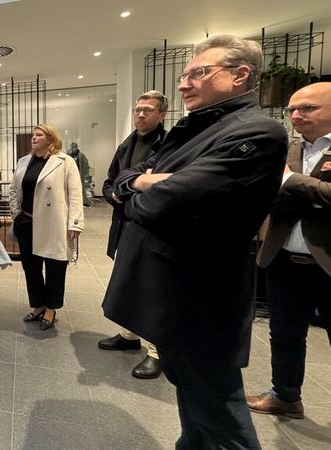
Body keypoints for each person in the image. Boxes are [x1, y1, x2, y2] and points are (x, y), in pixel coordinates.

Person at [101, 34, 288, 449]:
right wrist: (142, 183)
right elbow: (122, 181)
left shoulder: (257, 132)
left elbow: (162, 204)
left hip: (200, 294)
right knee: (193, 393)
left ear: (240, 75)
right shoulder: (198, 128)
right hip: (173, 289)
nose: (184, 84)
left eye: (198, 73)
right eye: (184, 75)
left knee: (219, 409)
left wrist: (140, 191)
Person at [246, 82, 331, 419]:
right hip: (284, 259)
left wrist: (289, 182)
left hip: (327, 262)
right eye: (292, 109)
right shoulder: (288, 150)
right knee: (284, 333)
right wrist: (313, 191)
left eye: (308, 108)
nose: (296, 115)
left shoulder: (285, 166)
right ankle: (285, 395)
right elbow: (264, 193)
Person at [98, 90, 168, 379]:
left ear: (161, 114)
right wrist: (113, 195)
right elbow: (110, 181)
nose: (141, 115)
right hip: (125, 221)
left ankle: (157, 351)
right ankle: (129, 334)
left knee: (153, 286)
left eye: (148, 110)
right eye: (138, 110)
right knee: (128, 279)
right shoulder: (126, 145)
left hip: (151, 224)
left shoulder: (169, 145)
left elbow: (160, 187)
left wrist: (125, 190)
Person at [10, 124, 84, 330]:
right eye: (33, 135)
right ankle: (38, 305)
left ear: (50, 139)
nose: (33, 138)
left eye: (39, 135)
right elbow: (13, 189)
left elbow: (75, 194)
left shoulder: (65, 162)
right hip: (27, 222)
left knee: (55, 267)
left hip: (53, 222)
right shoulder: (23, 161)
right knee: (31, 267)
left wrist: (75, 223)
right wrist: (17, 215)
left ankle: (51, 308)